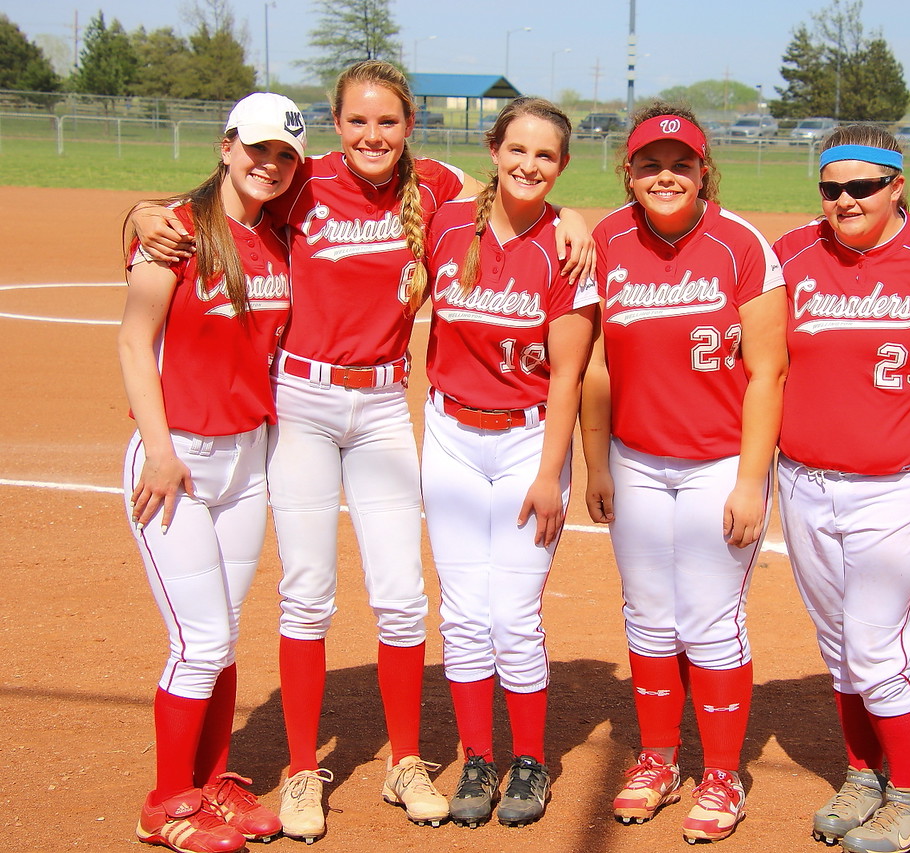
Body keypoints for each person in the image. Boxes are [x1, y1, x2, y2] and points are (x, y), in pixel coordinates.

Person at [132, 61, 594, 843]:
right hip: (302, 403)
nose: (372, 136)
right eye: (356, 121)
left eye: (388, 122)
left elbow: (521, 189)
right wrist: (141, 213)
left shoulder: (437, 186)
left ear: (410, 126)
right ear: (335, 124)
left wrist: (574, 214)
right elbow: (209, 205)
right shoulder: (298, 181)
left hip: (382, 405)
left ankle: (406, 760)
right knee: (308, 589)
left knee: (401, 592)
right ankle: (304, 770)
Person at [580, 103, 788, 844]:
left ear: (704, 171)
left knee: (709, 618)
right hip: (635, 460)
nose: (663, 175)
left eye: (680, 163)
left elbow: (767, 371)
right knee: (646, 614)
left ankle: (724, 771)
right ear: (627, 172)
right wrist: (594, 458)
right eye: (647, 163)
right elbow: (597, 362)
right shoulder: (605, 238)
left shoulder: (740, 245)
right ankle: (660, 757)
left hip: (714, 464)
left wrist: (750, 480)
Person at [771, 124, 910, 853]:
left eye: (861, 186)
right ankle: (864, 772)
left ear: (897, 184)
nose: (844, 200)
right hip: (800, 476)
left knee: (875, 642)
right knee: (838, 644)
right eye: (831, 188)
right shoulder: (791, 254)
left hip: (896, 484)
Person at [119, 92, 305, 853]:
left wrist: (572, 217)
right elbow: (135, 341)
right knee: (198, 641)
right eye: (256, 148)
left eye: (285, 155)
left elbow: (442, 176)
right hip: (178, 460)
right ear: (226, 145)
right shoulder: (176, 231)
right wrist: (160, 448)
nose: (269, 164)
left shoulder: (280, 233)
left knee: (223, 637)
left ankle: (215, 783)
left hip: (247, 460)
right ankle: (166, 804)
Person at [418, 96, 597, 830]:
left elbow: (568, 373)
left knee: (513, 615)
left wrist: (551, 474)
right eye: (516, 149)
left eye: (546, 156)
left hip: (528, 441)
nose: (529, 165)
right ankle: (477, 756)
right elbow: (393, 173)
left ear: (561, 167)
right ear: (493, 150)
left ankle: (528, 759)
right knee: (461, 615)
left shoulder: (566, 245)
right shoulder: (444, 220)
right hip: (450, 435)